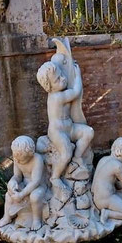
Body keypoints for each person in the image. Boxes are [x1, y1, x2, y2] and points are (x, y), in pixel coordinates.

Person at [36, 61, 94, 197]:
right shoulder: (57, 97)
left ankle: (78, 157)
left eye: (62, 74)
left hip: (70, 127)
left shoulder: (59, 92)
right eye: (57, 79)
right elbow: (76, 91)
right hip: (57, 131)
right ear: (49, 87)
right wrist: (78, 75)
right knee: (66, 153)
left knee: (88, 132)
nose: (63, 78)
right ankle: (55, 177)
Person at [0, 136, 47, 231]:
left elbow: (36, 181)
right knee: (8, 195)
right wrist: (13, 182)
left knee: (35, 197)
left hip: (38, 186)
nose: (18, 161)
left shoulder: (37, 159)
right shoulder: (17, 158)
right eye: (16, 157)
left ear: (30, 154)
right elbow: (18, 176)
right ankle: (7, 217)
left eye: (21, 159)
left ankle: (36, 220)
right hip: (25, 184)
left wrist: (21, 194)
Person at [92, 137, 122, 225]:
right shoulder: (117, 166)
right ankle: (107, 213)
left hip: (97, 197)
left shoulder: (104, 159)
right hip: (104, 200)